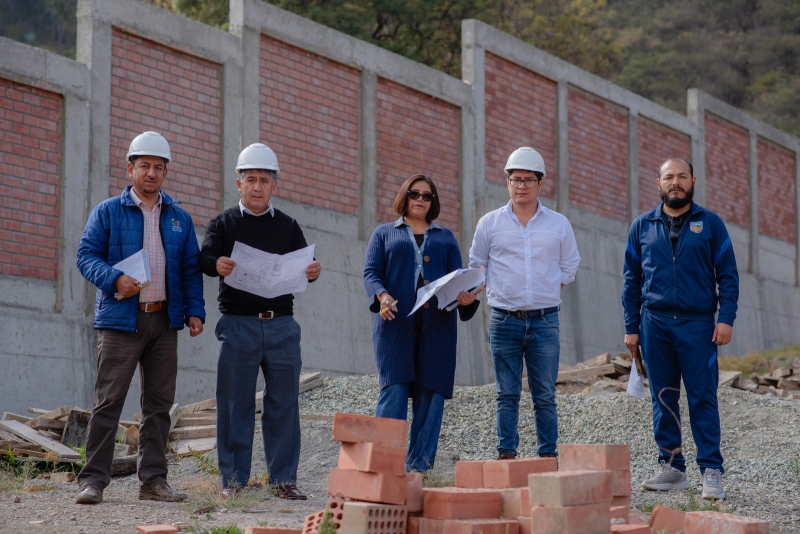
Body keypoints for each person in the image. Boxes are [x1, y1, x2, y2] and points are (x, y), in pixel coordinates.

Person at [75, 131, 205, 504]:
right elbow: (86, 256)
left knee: (159, 406)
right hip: (121, 321)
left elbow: (191, 270)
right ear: (129, 167)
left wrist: (194, 311)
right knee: (108, 402)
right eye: (144, 165)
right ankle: (93, 481)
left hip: (164, 321)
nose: (151, 173)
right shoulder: (108, 211)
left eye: (158, 167)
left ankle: (152, 481)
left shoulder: (179, 218)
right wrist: (115, 277)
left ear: (166, 173)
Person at [199, 143, 320, 500]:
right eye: (250, 179)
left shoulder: (288, 225)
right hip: (239, 325)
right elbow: (204, 256)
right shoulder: (223, 223)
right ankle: (233, 483)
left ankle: (283, 480)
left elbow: (304, 266)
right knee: (236, 403)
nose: (256, 186)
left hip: (282, 325)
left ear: (274, 185)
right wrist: (216, 264)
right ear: (238, 183)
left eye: (264, 180)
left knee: (284, 403)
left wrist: (313, 271)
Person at [622, 156, 739, 500]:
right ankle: (672, 468)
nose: (676, 181)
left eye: (682, 176)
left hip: (698, 324)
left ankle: (711, 471)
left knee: (703, 396)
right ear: (657, 183)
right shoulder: (642, 226)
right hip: (654, 323)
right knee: (663, 397)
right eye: (669, 177)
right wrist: (631, 327)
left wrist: (726, 318)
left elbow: (728, 276)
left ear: (693, 181)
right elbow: (631, 280)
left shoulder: (711, 224)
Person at [468, 147, 580, 460]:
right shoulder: (489, 224)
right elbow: (478, 264)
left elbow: (569, 265)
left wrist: (545, 287)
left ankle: (547, 457)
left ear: (540, 184)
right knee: (507, 393)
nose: (522, 186)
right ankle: (507, 454)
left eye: (529, 180)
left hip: (545, 321)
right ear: (506, 182)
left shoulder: (558, 224)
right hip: (503, 321)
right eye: (516, 179)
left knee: (544, 394)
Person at [363, 174, 480, 471]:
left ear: (433, 202)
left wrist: (466, 299)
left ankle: (419, 470)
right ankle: (383, 467)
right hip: (394, 329)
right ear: (404, 196)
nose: (420, 200)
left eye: (427, 196)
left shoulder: (445, 238)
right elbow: (371, 273)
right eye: (414, 194)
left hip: (437, 331)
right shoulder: (383, 234)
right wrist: (382, 295)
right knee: (394, 394)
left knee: (431, 397)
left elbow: (459, 281)